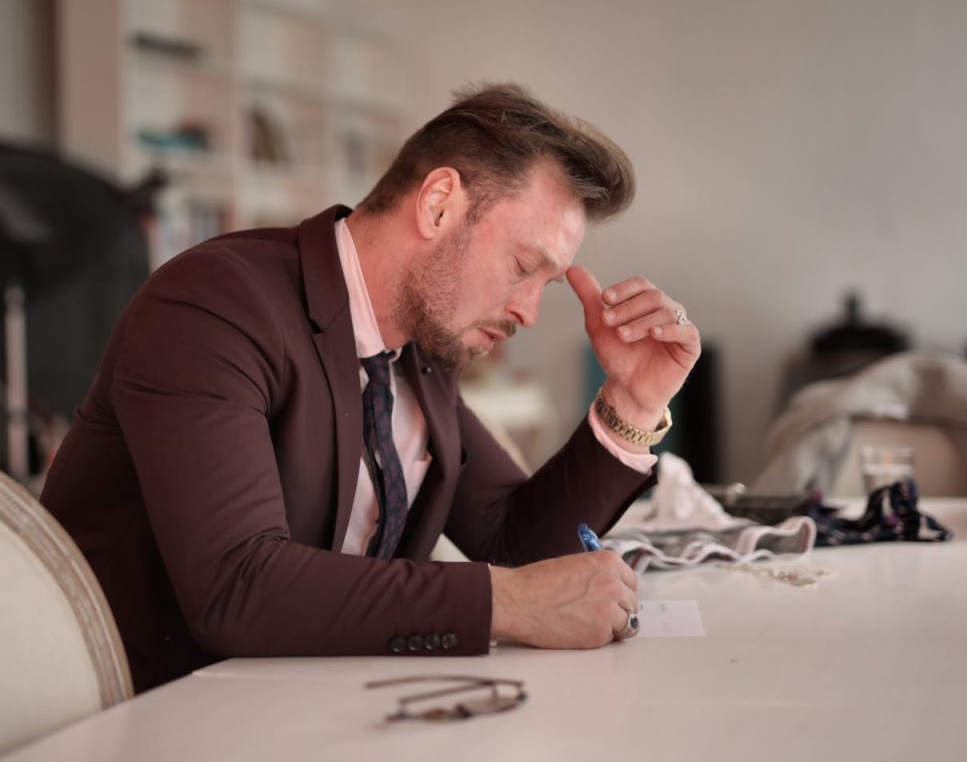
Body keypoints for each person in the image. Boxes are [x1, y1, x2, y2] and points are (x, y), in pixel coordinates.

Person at [41, 83, 701, 692]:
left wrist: (633, 403)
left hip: (308, 709)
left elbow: (514, 544)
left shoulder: (421, 352)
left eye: (546, 284)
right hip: (149, 720)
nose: (528, 310)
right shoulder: (213, 305)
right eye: (524, 267)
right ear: (439, 203)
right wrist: (509, 602)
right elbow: (237, 587)